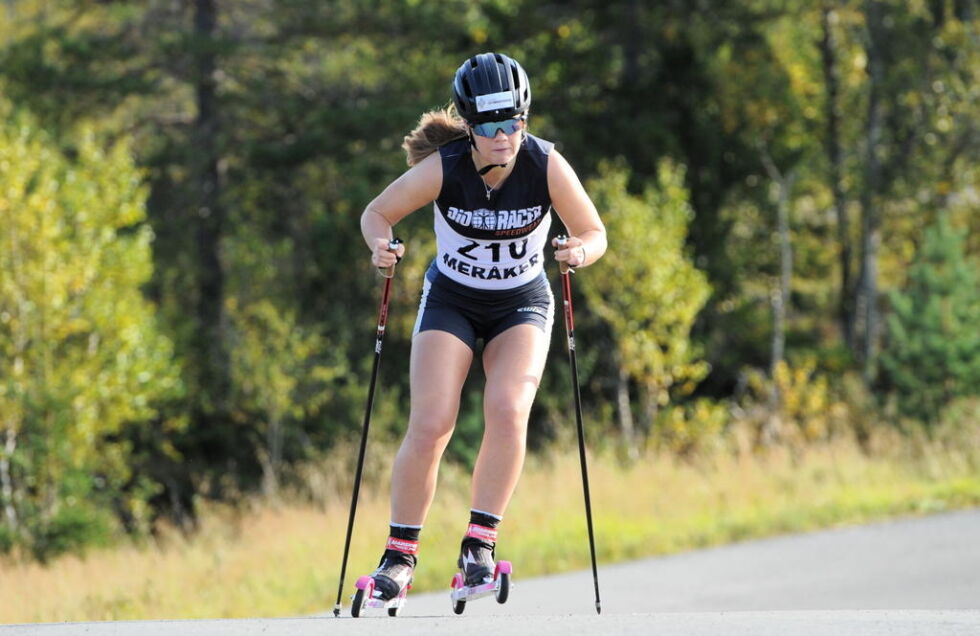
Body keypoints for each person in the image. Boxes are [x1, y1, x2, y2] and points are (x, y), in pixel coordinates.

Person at [359, 51, 606, 601]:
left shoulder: (545, 165)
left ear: (525, 118)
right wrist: (381, 247)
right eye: (490, 127)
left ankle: (479, 544)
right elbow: (377, 212)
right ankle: (399, 557)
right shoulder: (444, 168)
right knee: (432, 422)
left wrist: (579, 253)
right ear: (469, 128)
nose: (503, 138)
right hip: (453, 299)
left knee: (509, 407)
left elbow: (594, 230)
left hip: (522, 301)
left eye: (513, 123)